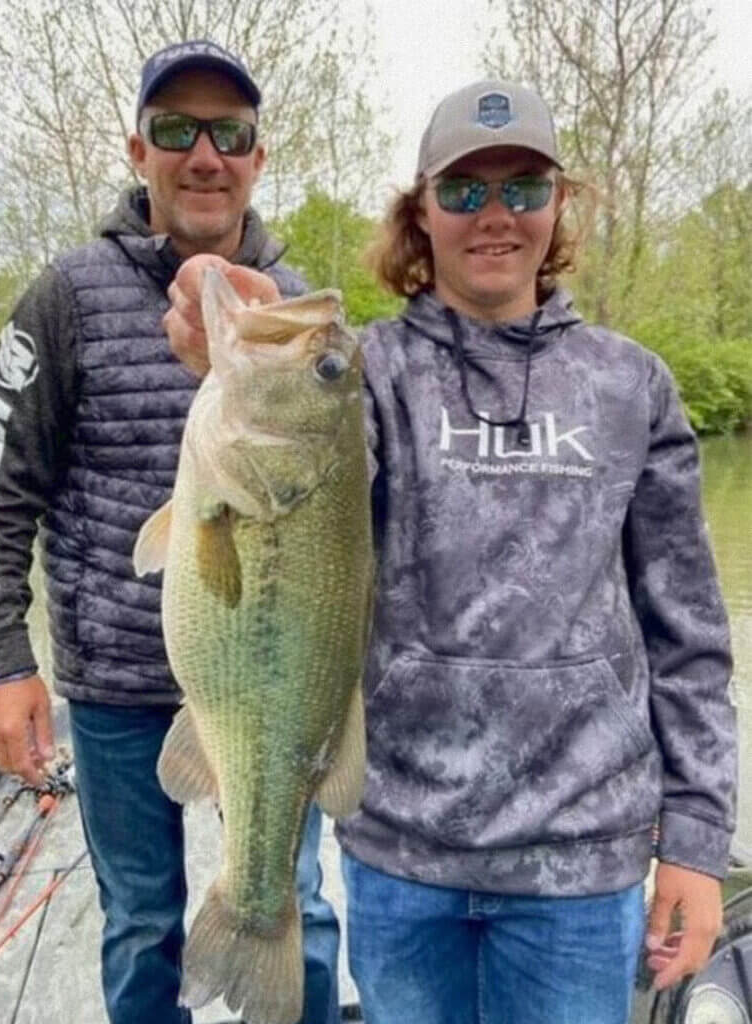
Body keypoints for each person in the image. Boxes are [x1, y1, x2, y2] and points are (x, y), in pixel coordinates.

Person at [164, 79, 738, 1024]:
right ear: (420, 212)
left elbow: (690, 636)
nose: (496, 215)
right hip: (401, 854)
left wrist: (698, 843)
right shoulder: (370, 375)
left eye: (525, 188)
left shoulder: (633, 386)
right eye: (466, 191)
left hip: (582, 866)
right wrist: (223, 315)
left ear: (561, 208)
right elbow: (293, 462)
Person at [0, 39, 341, 1024]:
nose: (205, 153)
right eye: (177, 130)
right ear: (139, 151)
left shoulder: (294, 315)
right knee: (141, 924)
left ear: (259, 156)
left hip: (281, 691)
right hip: (117, 692)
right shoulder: (65, 295)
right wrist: (4, 661)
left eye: (231, 133)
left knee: (296, 901)